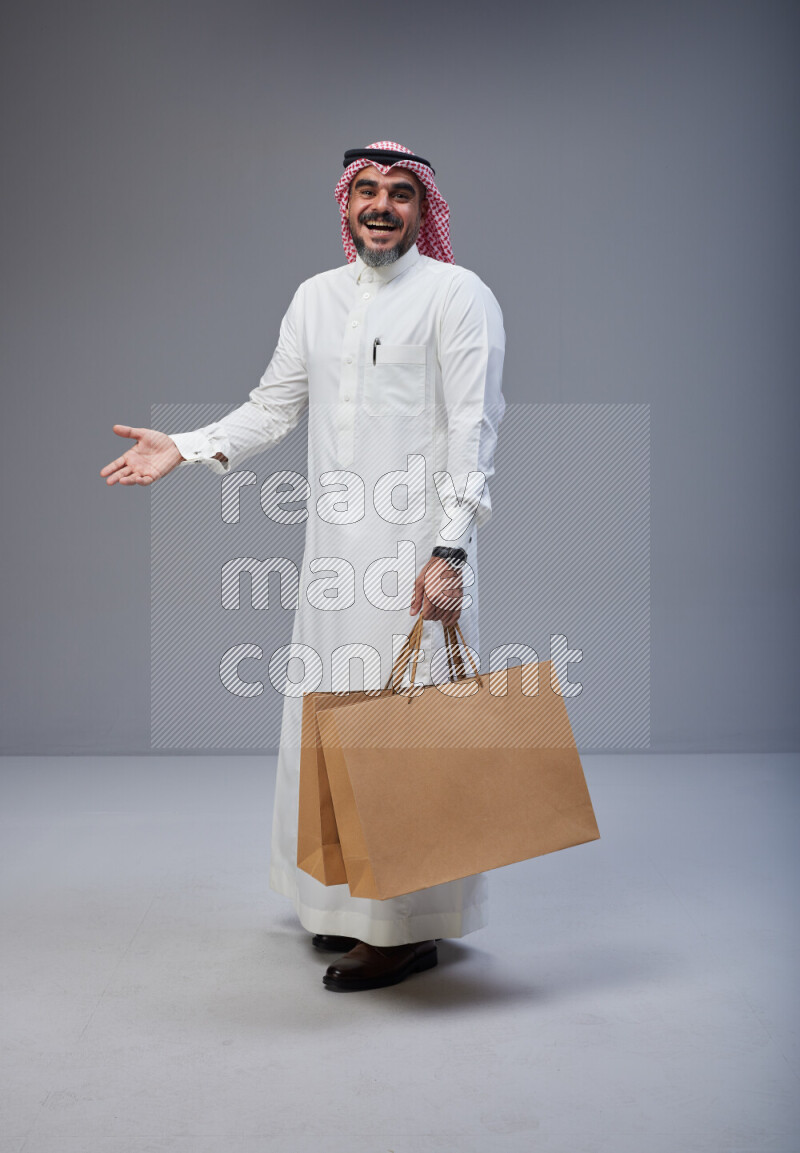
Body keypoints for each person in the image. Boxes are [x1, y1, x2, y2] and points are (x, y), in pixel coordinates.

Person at [101, 141, 506, 991]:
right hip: (331, 558)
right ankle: (349, 911)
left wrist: (451, 548)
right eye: (368, 191)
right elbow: (272, 408)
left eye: (401, 193)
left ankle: (404, 929)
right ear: (345, 204)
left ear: (421, 207)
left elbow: (475, 427)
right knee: (331, 728)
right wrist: (183, 445)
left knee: (406, 740)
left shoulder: (457, 295)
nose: (384, 206)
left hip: (415, 554)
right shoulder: (316, 300)